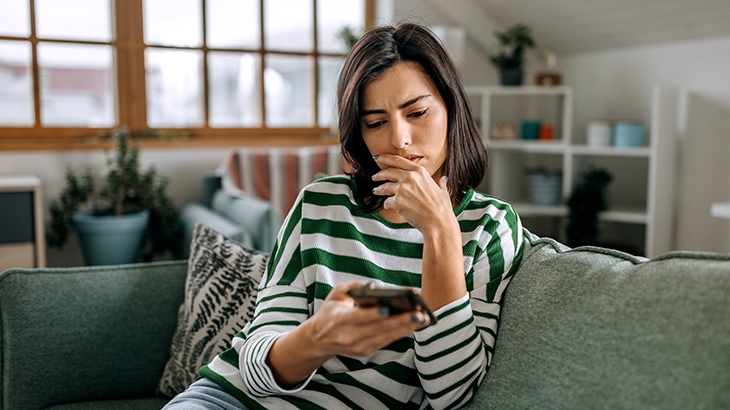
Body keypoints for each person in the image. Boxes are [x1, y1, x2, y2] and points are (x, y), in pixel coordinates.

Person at [164, 22, 524, 410]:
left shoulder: (490, 227)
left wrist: (441, 232)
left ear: (452, 109)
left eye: (417, 112)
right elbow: (254, 367)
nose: (399, 139)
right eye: (376, 122)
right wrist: (320, 337)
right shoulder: (320, 203)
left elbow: (451, 394)